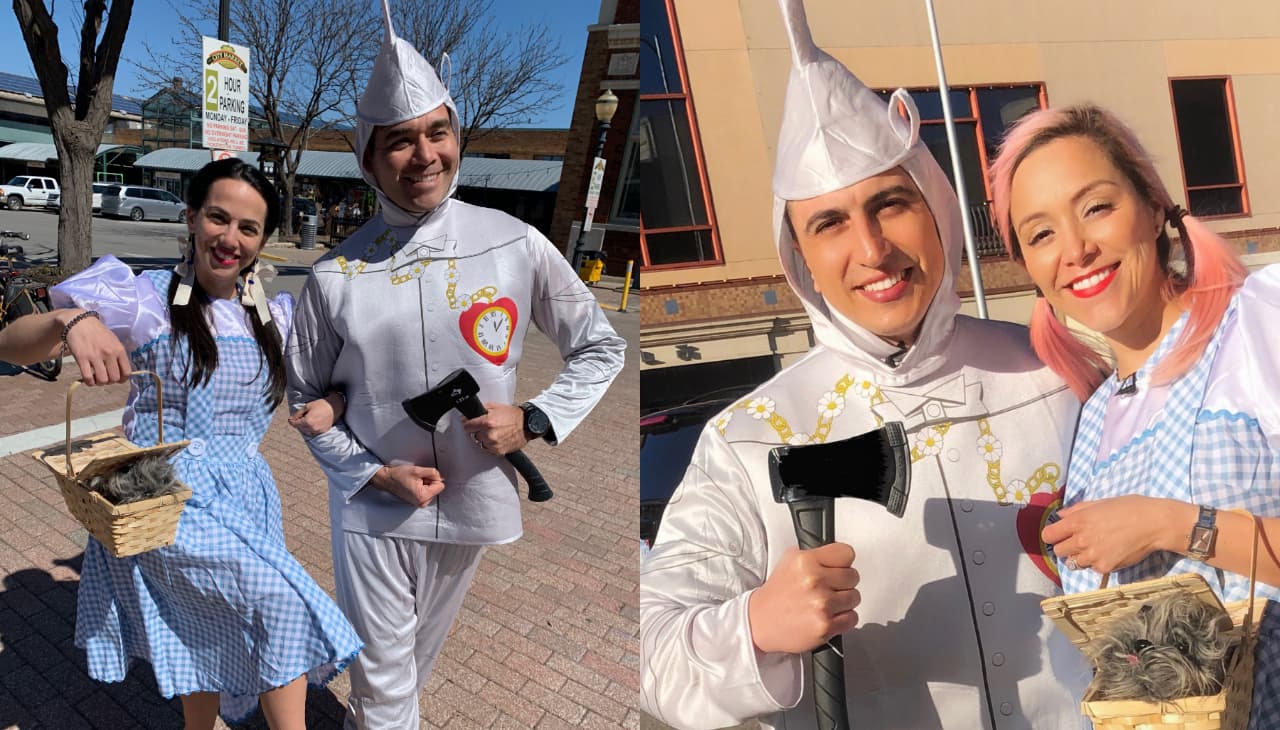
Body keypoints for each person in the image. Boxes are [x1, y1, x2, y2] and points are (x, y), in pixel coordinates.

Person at [639, 1, 1090, 728]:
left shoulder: (1060, 374)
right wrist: (753, 625)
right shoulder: (750, 440)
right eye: (830, 223)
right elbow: (652, 652)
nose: (873, 249)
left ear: (937, 208)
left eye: (890, 204)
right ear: (802, 259)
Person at [284, 4, 626, 727]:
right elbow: (306, 402)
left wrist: (533, 417)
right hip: (376, 510)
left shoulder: (515, 244)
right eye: (401, 141)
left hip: (471, 500)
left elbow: (601, 345)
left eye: (438, 132)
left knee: (407, 673)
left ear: (457, 136)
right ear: (368, 159)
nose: (424, 155)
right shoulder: (335, 275)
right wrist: (376, 472)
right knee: (383, 684)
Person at [0, 157, 362, 728]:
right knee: (278, 605)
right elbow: (11, 345)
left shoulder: (276, 318)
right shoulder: (141, 300)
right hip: (168, 501)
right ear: (192, 217)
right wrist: (72, 319)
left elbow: (342, 381)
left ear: (263, 241)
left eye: (249, 229)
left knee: (209, 623)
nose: (230, 239)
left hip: (248, 494)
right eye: (218, 218)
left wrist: (333, 404)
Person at [988, 103, 1280, 722]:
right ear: (1030, 270)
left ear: (1153, 207)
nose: (1076, 249)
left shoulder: (1257, 322)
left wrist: (1171, 525)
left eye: (1096, 207)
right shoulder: (1089, 421)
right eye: (1041, 234)